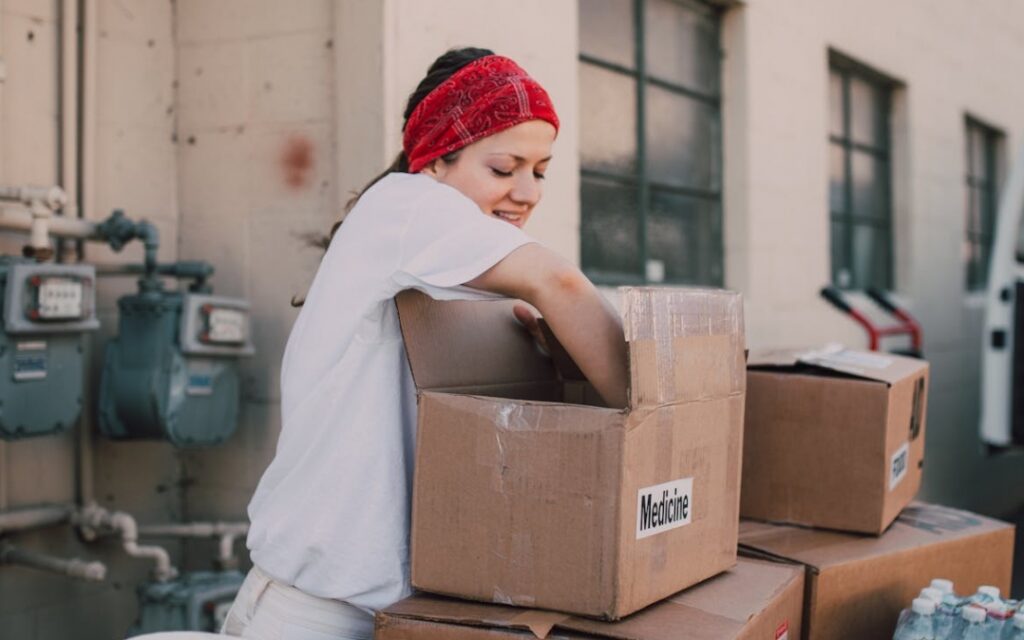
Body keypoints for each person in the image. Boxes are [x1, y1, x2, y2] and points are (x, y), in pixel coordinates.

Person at [220, 47, 628, 639]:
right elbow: (560, 282)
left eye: (540, 171)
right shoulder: (408, 205)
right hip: (316, 610)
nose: (529, 192)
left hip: (402, 611)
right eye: (504, 167)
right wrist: (660, 434)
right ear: (435, 161)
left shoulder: (458, 261)